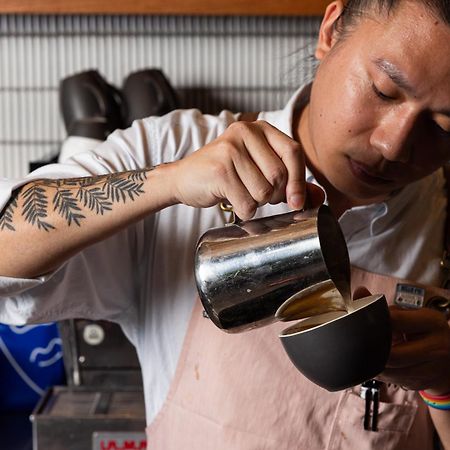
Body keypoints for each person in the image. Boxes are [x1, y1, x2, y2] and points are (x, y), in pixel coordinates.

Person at [0, 0, 449, 448]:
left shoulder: (442, 219)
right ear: (330, 31)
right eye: (384, 91)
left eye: (444, 125)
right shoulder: (178, 148)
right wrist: (167, 183)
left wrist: (445, 385)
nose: (394, 145)